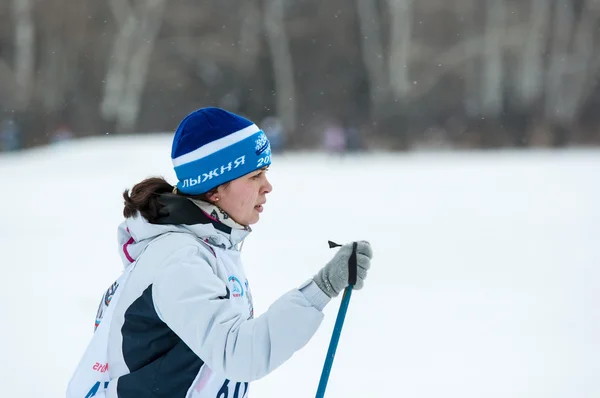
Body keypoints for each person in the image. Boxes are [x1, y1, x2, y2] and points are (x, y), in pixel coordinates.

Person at [66, 107, 373, 398]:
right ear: (214, 189)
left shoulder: (207, 246)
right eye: (255, 176)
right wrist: (321, 289)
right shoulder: (179, 259)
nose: (267, 187)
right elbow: (239, 353)